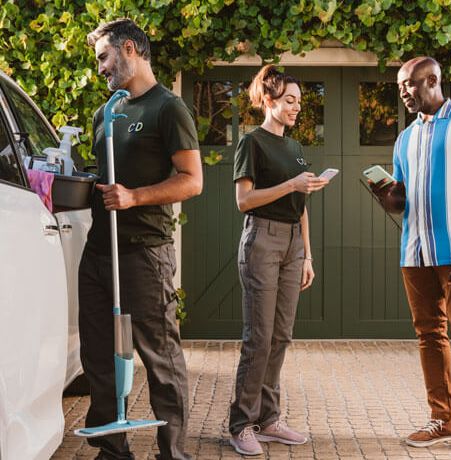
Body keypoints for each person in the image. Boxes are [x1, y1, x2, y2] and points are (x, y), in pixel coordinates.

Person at [79, 19, 203, 460]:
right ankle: (113, 451)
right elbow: (104, 177)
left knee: (160, 358)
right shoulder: (105, 112)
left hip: (145, 255)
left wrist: (134, 197)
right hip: (98, 253)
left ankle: (172, 453)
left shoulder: (167, 109)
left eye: (103, 58)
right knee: (99, 357)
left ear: (128, 48)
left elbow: (192, 181)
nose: (99, 69)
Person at [369, 57, 451, 458]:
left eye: (409, 84)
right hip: (414, 251)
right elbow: (402, 199)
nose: (404, 91)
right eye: (400, 86)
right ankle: (442, 419)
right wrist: (384, 195)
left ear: (432, 80)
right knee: (429, 335)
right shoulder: (405, 138)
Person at [228, 65, 329, 456]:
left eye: (299, 102)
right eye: (289, 100)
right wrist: (291, 184)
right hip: (262, 241)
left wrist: (307, 254)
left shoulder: (295, 148)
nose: (296, 108)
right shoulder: (251, 143)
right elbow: (243, 201)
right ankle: (241, 424)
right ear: (268, 100)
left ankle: (268, 420)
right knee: (259, 337)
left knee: (282, 335)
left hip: (291, 246)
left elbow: (300, 205)